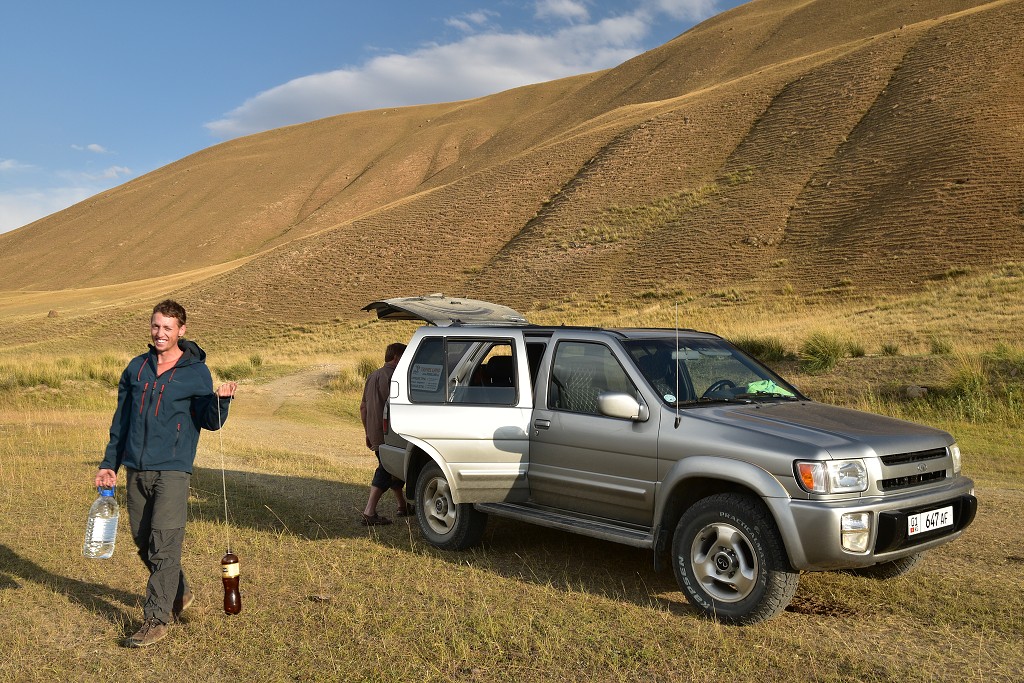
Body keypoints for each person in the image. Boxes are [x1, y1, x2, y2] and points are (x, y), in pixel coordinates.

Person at [95, 300, 237, 647]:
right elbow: (121, 421)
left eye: (167, 328)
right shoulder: (136, 368)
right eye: (156, 326)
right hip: (135, 468)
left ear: (181, 331)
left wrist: (221, 400)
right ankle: (180, 590)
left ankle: (156, 619)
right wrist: (108, 464)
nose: (160, 334)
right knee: (143, 540)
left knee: (165, 544)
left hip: (173, 470)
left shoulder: (195, 372)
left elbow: (210, 421)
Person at [360, 342, 409, 525]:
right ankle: (369, 512)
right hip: (390, 433)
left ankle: (402, 506)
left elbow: (363, 407)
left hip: (374, 432)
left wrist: (367, 432)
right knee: (386, 469)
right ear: (397, 357)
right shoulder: (396, 376)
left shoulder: (372, 375)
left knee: (391, 467)